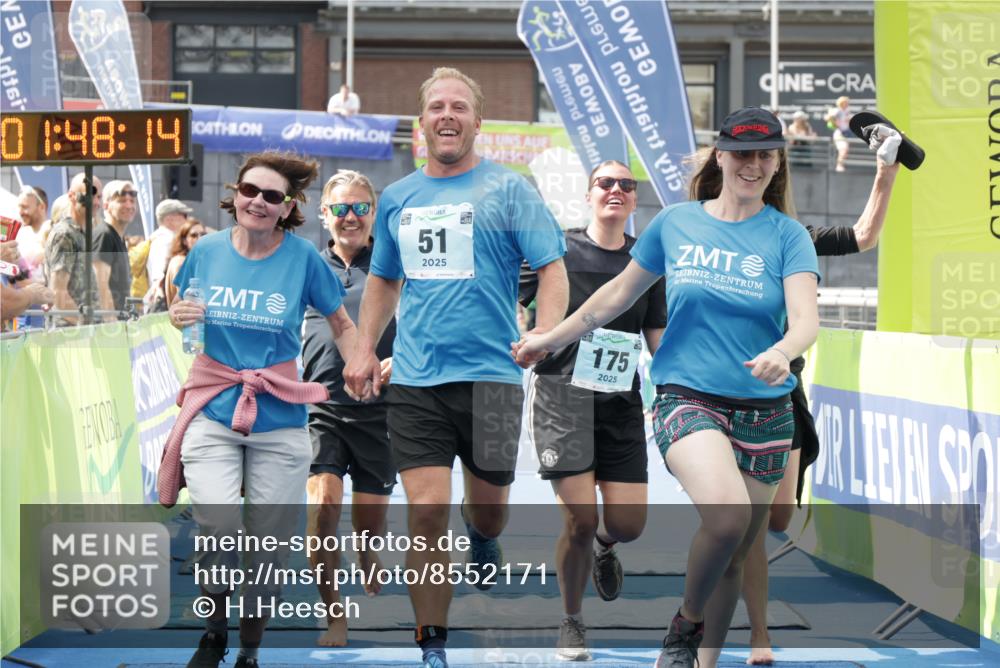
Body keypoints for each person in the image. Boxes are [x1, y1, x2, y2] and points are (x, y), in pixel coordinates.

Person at [513, 107, 820, 668]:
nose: (752, 165)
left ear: (776, 165)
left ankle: (701, 654)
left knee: (736, 550)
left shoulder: (788, 235)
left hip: (766, 413)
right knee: (726, 519)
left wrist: (782, 351)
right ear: (721, 156)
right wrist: (547, 339)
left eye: (764, 155)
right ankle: (685, 622)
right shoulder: (676, 223)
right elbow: (613, 298)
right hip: (688, 398)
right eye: (742, 153)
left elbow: (806, 319)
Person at [343, 67, 568, 668]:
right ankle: (432, 643)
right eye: (437, 106)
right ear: (422, 122)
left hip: (493, 379)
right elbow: (384, 281)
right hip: (417, 380)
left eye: (459, 107)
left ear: (476, 120)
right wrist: (365, 349)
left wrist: (543, 334)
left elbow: (551, 268)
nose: (448, 115)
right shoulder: (398, 198)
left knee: (489, 507)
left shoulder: (510, 189)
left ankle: (486, 537)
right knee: (424, 511)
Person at [162, 151, 362, 668]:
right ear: (236, 193)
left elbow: (340, 323)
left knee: (266, 555)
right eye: (250, 190)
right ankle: (214, 632)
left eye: (272, 196)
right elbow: (184, 315)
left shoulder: (303, 259)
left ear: (287, 206)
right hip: (214, 410)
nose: (257, 202)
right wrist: (178, 315)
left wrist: (361, 365)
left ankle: (250, 650)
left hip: (280, 420)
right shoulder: (204, 251)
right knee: (219, 531)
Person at [742, 121, 904, 666]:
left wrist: (886, 169)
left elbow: (863, 236)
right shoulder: (700, 238)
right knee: (738, 523)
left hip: (783, 394)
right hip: (718, 398)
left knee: (779, 517)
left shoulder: (794, 239)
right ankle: (750, 631)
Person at [519, 159, 666, 660]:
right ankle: (572, 619)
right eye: (606, 182)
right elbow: (515, 307)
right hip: (561, 394)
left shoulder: (648, 262)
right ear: (588, 194)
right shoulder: (558, 249)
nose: (617, 190)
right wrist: (523, 335)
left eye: (627, 185)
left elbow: (658, 340)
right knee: (579, 518)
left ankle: (606, 547)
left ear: (634, 199)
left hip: (620, 400)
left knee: (627, 524)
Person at [302, 169, 397, 647]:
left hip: (382, 412)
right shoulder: (306, 266)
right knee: (322, 508)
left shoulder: (392, 264)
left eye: (361, 207)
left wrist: (399, 359)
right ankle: (334, 614)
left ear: (374, 213)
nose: (351, 217)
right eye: (340, 208)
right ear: (324, 215)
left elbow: (424, 322)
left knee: (368, 523)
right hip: (321, 409)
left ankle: (367, 551)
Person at [44, 173, 102, 326]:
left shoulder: (79, 233)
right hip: (69, 335)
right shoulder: (65, 234)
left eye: (99, 197)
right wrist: (85, 326)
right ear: (72, 196)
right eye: (90, 195)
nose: (95, 202)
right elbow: (58, 293)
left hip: (79, 333)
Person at [93, 180, 137, 315]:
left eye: (132, 201)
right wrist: (111, 321)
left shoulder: (118, 238)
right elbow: (100, 285)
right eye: (122, 201)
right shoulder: (104, 235)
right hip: (108, 327)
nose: (129, 205)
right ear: (106, 205)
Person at [145, 198, 192, 309]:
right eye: (184, 216)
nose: (187, 220)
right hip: (165, 304)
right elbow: (159, 275)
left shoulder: (160, 238)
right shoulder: (165, 240)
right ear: (169, 219)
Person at [160, 218, 207, 307]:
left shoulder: (192, 261)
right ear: (184, 241)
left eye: (203, 234)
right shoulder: (180, 262)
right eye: (193, 235)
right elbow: (187, 301)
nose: (199, 238)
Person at [825, 96, 852, 172]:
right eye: (845, 103)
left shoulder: (846, 111)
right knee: (843, 149)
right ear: (841, 103)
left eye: (847, 103)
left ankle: (840, 165)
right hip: (839, 133)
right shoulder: (837, 111)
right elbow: (827, 118)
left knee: (845, 150)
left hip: (846, 133)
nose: (847, 104)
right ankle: (839, 166)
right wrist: (835, 123)